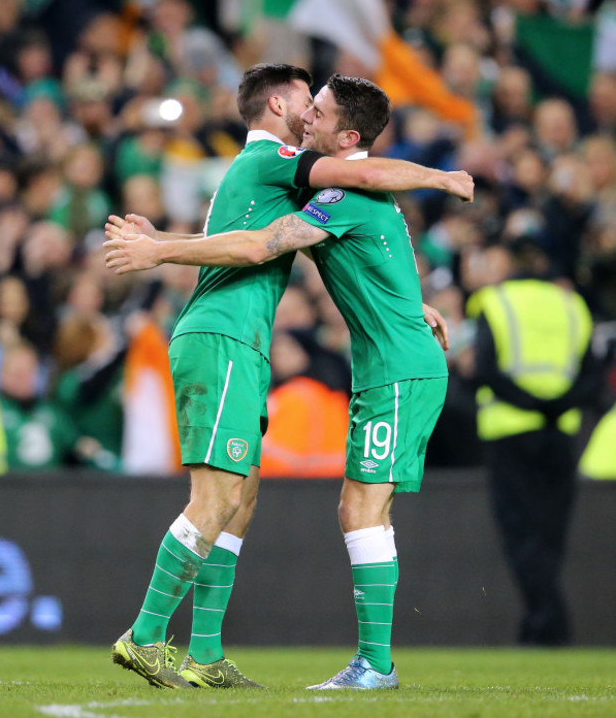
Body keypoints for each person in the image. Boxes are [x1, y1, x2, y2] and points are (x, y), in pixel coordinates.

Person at [106, 73, 467, 689]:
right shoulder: (289, 169)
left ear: (347, 135)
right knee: (236, 498)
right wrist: (163, 245)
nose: (307, 119)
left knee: (323, 505)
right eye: (307, 102)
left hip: (382, 366)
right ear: (276, 104)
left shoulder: (327, 187)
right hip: (237, 342)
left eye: (318, 110)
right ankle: (162, 643)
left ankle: (367, 664)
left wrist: (441, 182)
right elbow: (255, 241)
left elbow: (291, 225)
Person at [467, 238, 596, 646]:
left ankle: (548, 625)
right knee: (551, 531)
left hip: (510, 430)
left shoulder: (496, 301)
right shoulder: (572, 305)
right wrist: (556, 405)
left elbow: (484, 369)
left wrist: (530, 403)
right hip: (561, 431)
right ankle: (538, 627)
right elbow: (592, 375)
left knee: (520, 534)